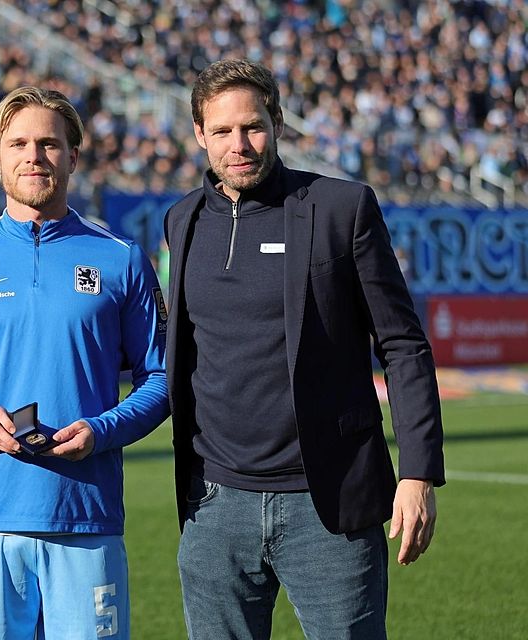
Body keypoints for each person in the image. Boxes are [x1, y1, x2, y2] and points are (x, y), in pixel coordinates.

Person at [163, 59, 445, 639]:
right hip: (215, 505)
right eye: (222, 131)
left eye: (253, 126)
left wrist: (417, 474)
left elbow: (402, 344)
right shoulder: (182, 219)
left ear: (278, 123)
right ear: (199, 135)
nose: (239, 144)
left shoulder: (343, 209)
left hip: (329, 507)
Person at [0, 86, 169, 639]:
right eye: (18, 143)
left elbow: (160, 378)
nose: (34, 156)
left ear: (73, 155)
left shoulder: (121, 260)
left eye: (49, 143)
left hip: (86, 518)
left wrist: (101, 430)